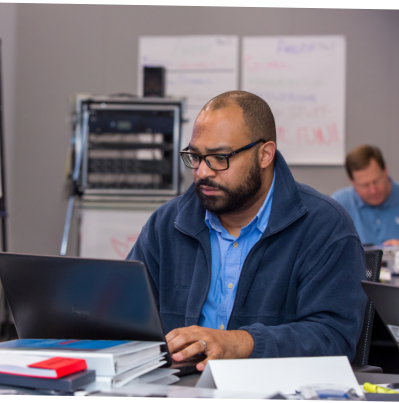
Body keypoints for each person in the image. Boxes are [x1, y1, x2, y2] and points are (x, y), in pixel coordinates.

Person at [127, 91, 367, 372]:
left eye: (219, 157)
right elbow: (124, 318)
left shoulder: (325, 226)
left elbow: (333, 338)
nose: (202, 172)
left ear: (264, 154)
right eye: (195, 156)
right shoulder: (167, 224)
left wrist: (240, 343)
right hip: (178, 388)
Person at [331, 145, 399, 248]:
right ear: (352, 182)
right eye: (365, 185)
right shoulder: (337, 205)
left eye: (376, 181)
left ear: (385, 170)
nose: (373, 191)